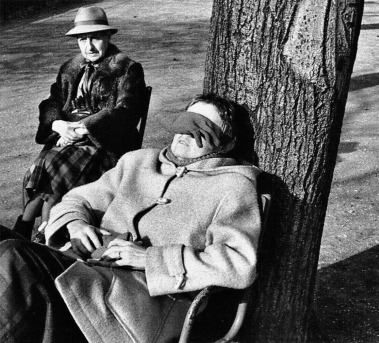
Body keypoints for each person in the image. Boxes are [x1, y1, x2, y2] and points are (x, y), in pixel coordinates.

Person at [0, 93, 262, 343]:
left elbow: (239, 263)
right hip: (83, 270)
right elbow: (77, 200)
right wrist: (75, 224)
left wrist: (149, 258)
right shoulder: (138, 162)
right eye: (185, 122)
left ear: (226, 143)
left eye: (201, 128)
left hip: (134, 303)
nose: (185, 133)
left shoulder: (233, 186)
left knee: (15, 256)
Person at [14, 6, 148, 240]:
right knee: (46, 162)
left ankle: (39, 230)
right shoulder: (70, 67)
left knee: (52, 162)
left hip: (105, 141)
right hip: (68, 135)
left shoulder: (126, 68)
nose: (90, 46)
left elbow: (126, 111)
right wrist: (58, 125)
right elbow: (53, 101)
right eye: (83, 39)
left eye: (96, 38)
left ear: (107, 37)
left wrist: (84, 127)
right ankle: (33, 228)